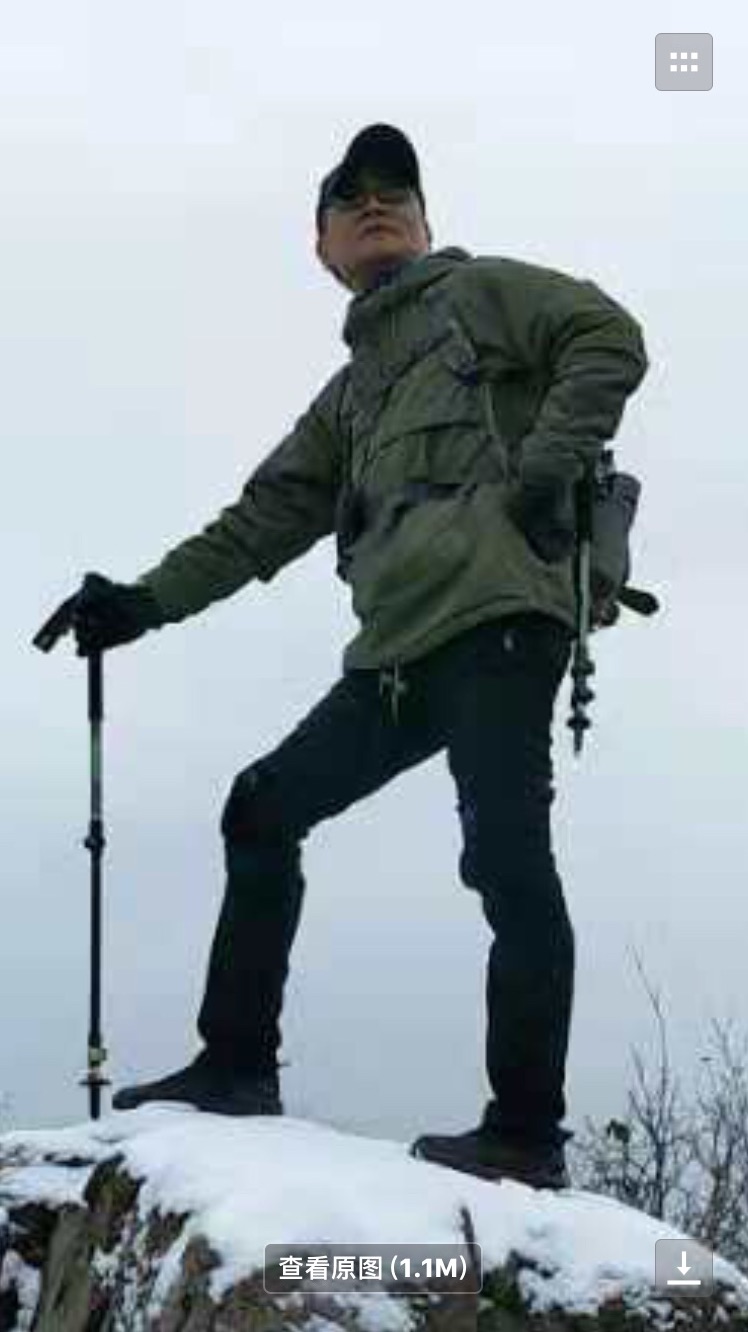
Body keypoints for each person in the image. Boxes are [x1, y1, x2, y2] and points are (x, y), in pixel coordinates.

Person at [66, 124, 648, 1190]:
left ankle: (526, 1134)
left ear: (425, 223)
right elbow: (257, 524)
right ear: (323, 247)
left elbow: (606, 334)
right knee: (261, 808)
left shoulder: (478, 295)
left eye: (396, 191)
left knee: (506, 855)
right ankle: (236, 1066)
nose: (375, 201)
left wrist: (545, 467)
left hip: (498, 624)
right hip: (394, 656)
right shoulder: (349, 400)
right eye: (350, 196)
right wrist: (140, 604)